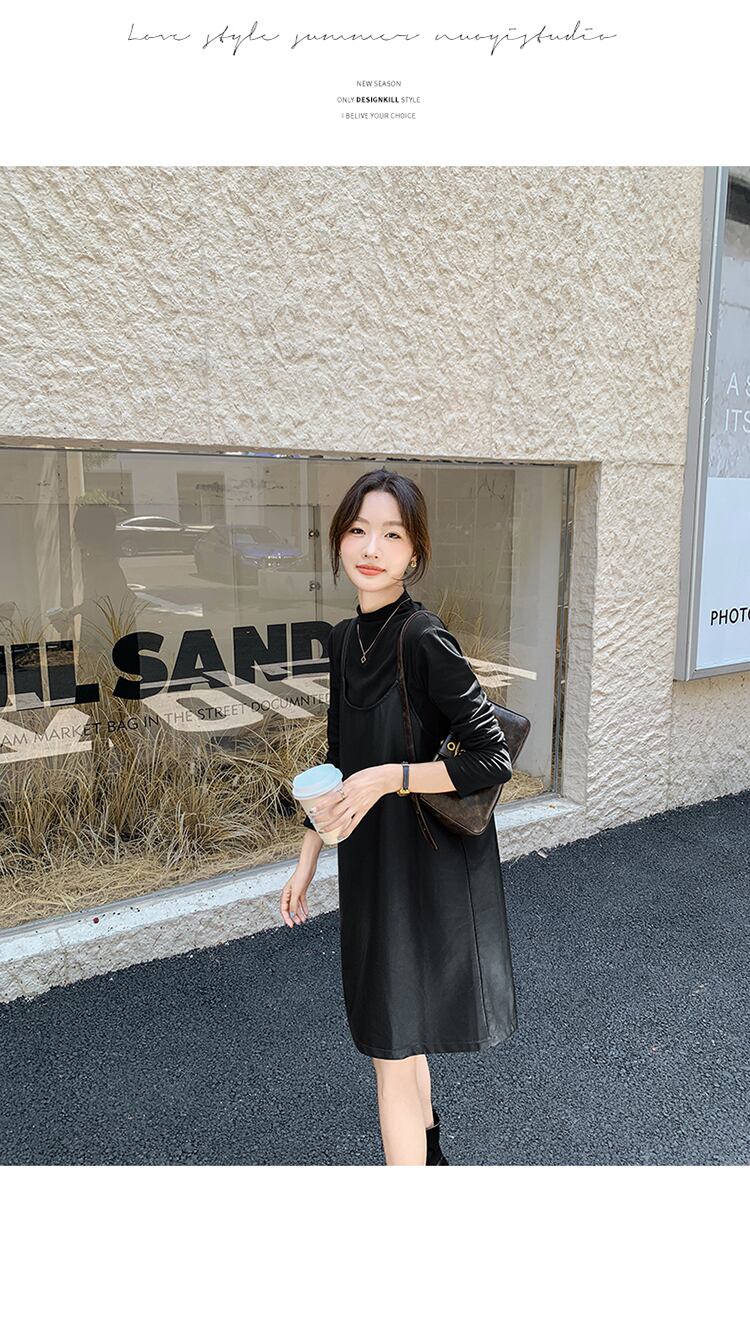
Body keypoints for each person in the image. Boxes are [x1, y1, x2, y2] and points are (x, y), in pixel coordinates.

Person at [280, 468, 518, 1166]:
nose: (371, 548)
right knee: (399, 1028)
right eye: (358, 530)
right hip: (370, 860)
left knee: (389, 1042)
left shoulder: (422, 637)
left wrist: (392, 777)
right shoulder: (342, 640)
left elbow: (494, 756)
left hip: (422, 865)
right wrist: (307, 858)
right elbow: (337, 758)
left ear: (414, 551)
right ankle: (432, 1158)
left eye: (391, 534)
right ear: (338, 541)